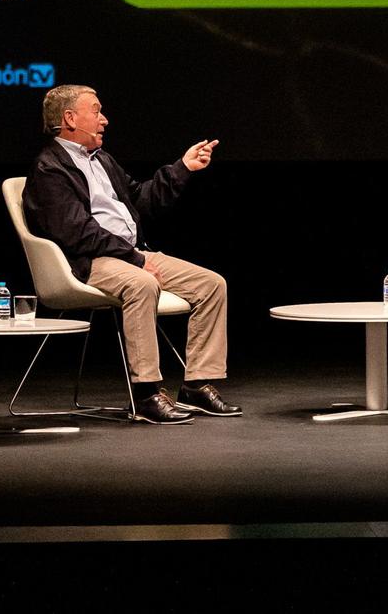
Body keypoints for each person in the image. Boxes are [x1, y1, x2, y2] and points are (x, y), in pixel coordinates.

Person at [22, 84, 238, 424]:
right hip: (89, 262)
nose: (104, 119)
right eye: (96, 111)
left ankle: (196, 385)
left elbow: (141, 199)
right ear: (69, 118)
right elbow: (78, 233)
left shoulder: (102, 160)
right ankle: (147, 393)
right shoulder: (50, 168)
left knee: (211, 284)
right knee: (142, 284)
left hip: (131, 252)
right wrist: (136, 260)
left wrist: (183, 167)